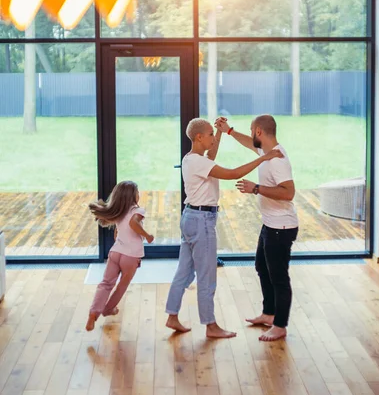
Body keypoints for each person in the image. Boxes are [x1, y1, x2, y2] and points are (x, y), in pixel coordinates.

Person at [165, 118, 283, 339]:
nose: (212, 137)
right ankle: (210, 326)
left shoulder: (192, 159)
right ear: (199, 137)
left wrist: (219, 134)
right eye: (210, 134)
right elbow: (232, 174)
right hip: (202, 221)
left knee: (184, 271)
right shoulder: (199, 162)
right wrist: (264, 157)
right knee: (207, 276)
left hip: (190, 217)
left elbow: (212, 156)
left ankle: (172, 316)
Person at [215, 115, 298, 342]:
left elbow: (288, 192)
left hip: (281, 227)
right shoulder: (267, 151)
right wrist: (229, 131)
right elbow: (250, 144)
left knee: (279, 277)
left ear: (259, 131)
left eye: (252, 131)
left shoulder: (277, 160)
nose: (251, 136)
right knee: (262, 266)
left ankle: (280, 325)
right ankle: (269, 314)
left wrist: (256, 188)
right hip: (271, 223)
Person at [85, 180, 154, 331]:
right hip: (130, 256)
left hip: (115, 253)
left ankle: (93, 312)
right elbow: (133, 224)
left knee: (106, 284)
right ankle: (108, 309)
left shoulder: (119, 212)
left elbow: (117, 235)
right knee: (122, 285)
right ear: (133, 196)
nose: (139, 194)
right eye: (137, 191)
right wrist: (147, 236)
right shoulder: (137, 210)